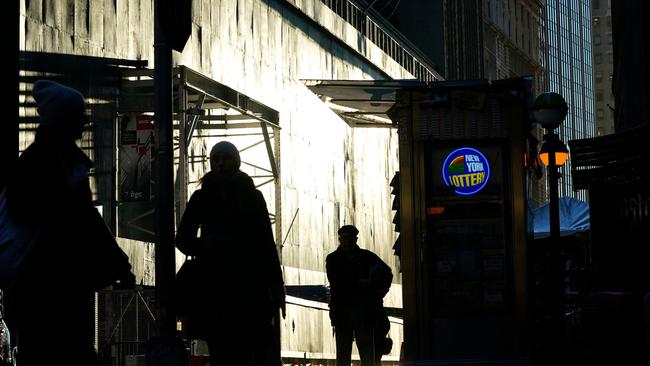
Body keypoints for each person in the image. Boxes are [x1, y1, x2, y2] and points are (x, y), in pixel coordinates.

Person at [4, 80, 135, 366]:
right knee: (67, 349)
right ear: (64, 119)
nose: (85, 121)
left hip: (38, 279)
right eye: (80, 115)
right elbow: (84, 220)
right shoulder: (57, 165)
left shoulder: (41, 161)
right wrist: (118, 265)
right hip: (54, 278)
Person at [175, 141, 286, 366]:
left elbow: (184, 240)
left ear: (235, 161)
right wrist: (275, 286)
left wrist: (207, 245)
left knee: (227, 349)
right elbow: (266, 245)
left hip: (222, 284)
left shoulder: (204, 197)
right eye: (216, 159)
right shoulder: (250, 196)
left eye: (224, 159)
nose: (220, 164)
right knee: (242, 347)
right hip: (243, 283)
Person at [326, 225, 393, 366]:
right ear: (340, 239)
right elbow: (337, 282)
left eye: (350, 238)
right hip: (348, 310)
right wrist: (367, 285)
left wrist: (378, 292)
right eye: (345, 238)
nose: (348, 241)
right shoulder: (364, 258)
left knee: (361, 354)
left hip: (358, 311)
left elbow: (386, 273)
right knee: (358, 354)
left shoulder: (337, 259)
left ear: (355, 239)